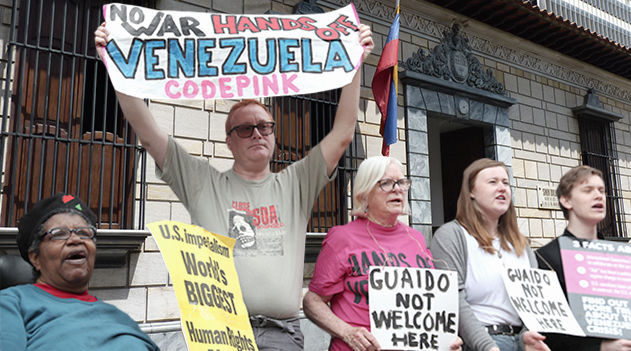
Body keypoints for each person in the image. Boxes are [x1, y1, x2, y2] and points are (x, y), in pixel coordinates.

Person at [95, 23, 374, 350]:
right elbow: (149, 134)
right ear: (228, 141)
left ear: (273, 135)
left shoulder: (297, 182)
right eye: (245, 128)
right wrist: (115, 64)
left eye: (264, 126)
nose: (257, 133)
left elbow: (342, 134)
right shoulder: (202, 183)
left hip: (281, 335)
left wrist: (356, 64)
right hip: (220, 333)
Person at [303, 156, 463, 351]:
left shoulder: (416, 239)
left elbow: (427, 304)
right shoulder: (342, 237)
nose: (398, 189)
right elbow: (312, 301)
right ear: (364, 194)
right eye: (386, 183)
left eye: (402, 183)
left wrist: (444, 338)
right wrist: (346, 332)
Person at [0, 193, 159, 350]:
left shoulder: (122, 319)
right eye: (59, 234)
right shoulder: (12, 304)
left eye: (84, 233)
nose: (76, 240)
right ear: (36, 257)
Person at [535, 165, 631, 351]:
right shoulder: (545, 258)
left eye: (602, 190)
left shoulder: (623, 258)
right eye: (587, 190)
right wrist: (601, 347)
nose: (599, 196)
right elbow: (548, 333)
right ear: (566, 201)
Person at [431, 158, 549, 351]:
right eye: (492, 182)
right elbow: (453, 298)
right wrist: (488, 347)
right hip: (480, 343)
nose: (502, 188)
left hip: (523, 342)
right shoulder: (451, 235)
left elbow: (536, 300)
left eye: (506, 183)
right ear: (471, 191)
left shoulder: (522, 243)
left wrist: (528, 335)